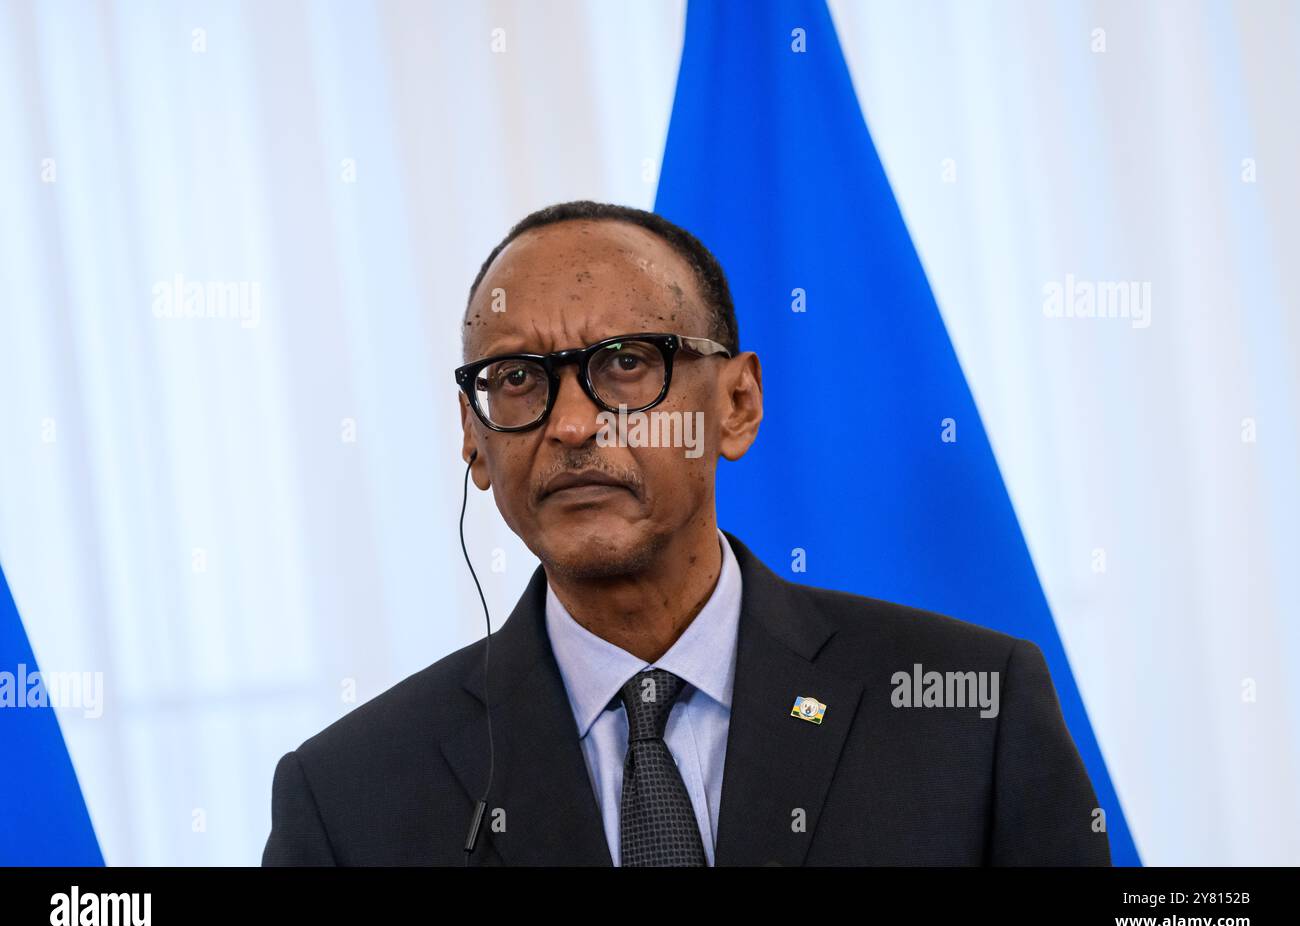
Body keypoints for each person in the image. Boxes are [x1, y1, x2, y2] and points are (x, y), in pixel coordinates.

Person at [262, 200, 1111, 866]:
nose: (570, 425)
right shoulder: (347, 796)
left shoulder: (971, 703)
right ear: (473, 440)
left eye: (626, 363)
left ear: (736, 405)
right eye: (518, 379)